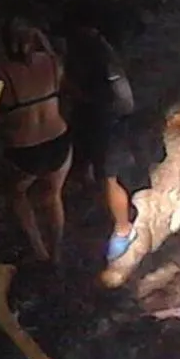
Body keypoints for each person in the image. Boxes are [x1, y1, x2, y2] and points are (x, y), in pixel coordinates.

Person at [0, 19, 71, 263]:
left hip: (25, 150)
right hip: (59, 143)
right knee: (53, 195)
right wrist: (40, 38)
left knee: (16, 194)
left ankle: (39, 250)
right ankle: (56, 252)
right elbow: (56, 60)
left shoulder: (1, 72)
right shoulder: (50, 63)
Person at [65, 22, 139, 265]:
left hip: (107, 121)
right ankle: (103, 210)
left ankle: (124, 228)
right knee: (96, 170)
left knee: (109, 178)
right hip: (102, 119)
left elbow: (120, 100)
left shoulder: (100, 63)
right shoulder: (103, 51)